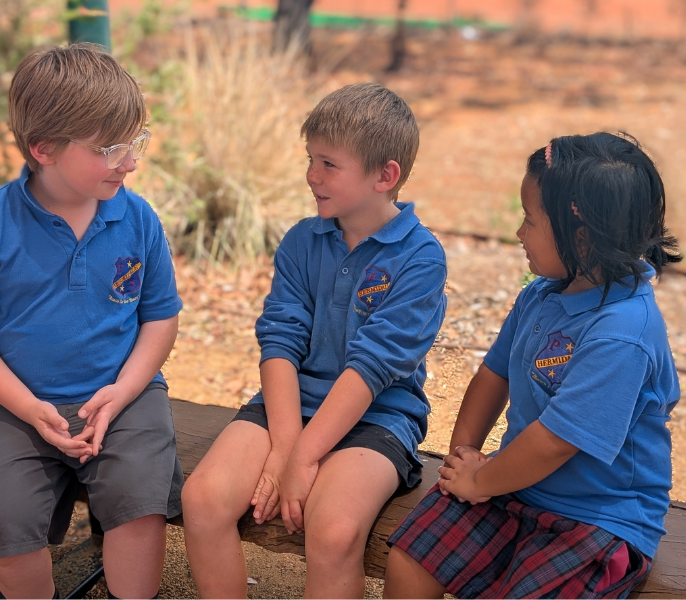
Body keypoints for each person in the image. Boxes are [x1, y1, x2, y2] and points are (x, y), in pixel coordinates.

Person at [383, 132, 682, 599]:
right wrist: (464, 457)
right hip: (514, 485)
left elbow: (553, 444)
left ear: (581, 239)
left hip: (597, 517)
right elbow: (493, 375)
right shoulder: (542, 294)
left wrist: (481, 480)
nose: (519, 233)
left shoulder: (623, 333)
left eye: (529, 220)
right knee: (409, 559)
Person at [182, 82, 447, 598]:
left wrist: (301, 459)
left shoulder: (420, 257)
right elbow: (279, 341)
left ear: (384, 176)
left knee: (333, 531)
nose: (311, 176)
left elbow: (373, 368)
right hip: (287, 407)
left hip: (376, 417)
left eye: (328, 164)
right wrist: (286, 445)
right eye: (310, 160)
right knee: (202, 499)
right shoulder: (303, 240)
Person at [0, 43, 183, 599]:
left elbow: (160, 320)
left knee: (138, 506)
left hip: (124, 395)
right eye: (111, 149)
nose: (130, 161)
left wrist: (123, 390)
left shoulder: (138, 217)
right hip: (18, 404)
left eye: (135, 143)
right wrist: (32, 409)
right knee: (3, 529)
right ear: (43, 148)